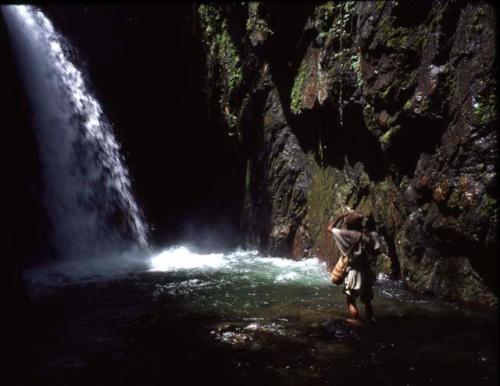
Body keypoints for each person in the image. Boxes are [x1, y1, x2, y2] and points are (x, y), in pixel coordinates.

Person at [327, 210, 381, 325]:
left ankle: (357, 320)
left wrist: (341, 216)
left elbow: (330, 227)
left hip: (354, 272)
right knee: (367, 300)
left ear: (349, 223)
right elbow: (377, 250)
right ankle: (370, 319)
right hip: (366, 270)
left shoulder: (345, 234)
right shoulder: (370, 235)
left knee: (350, 299)